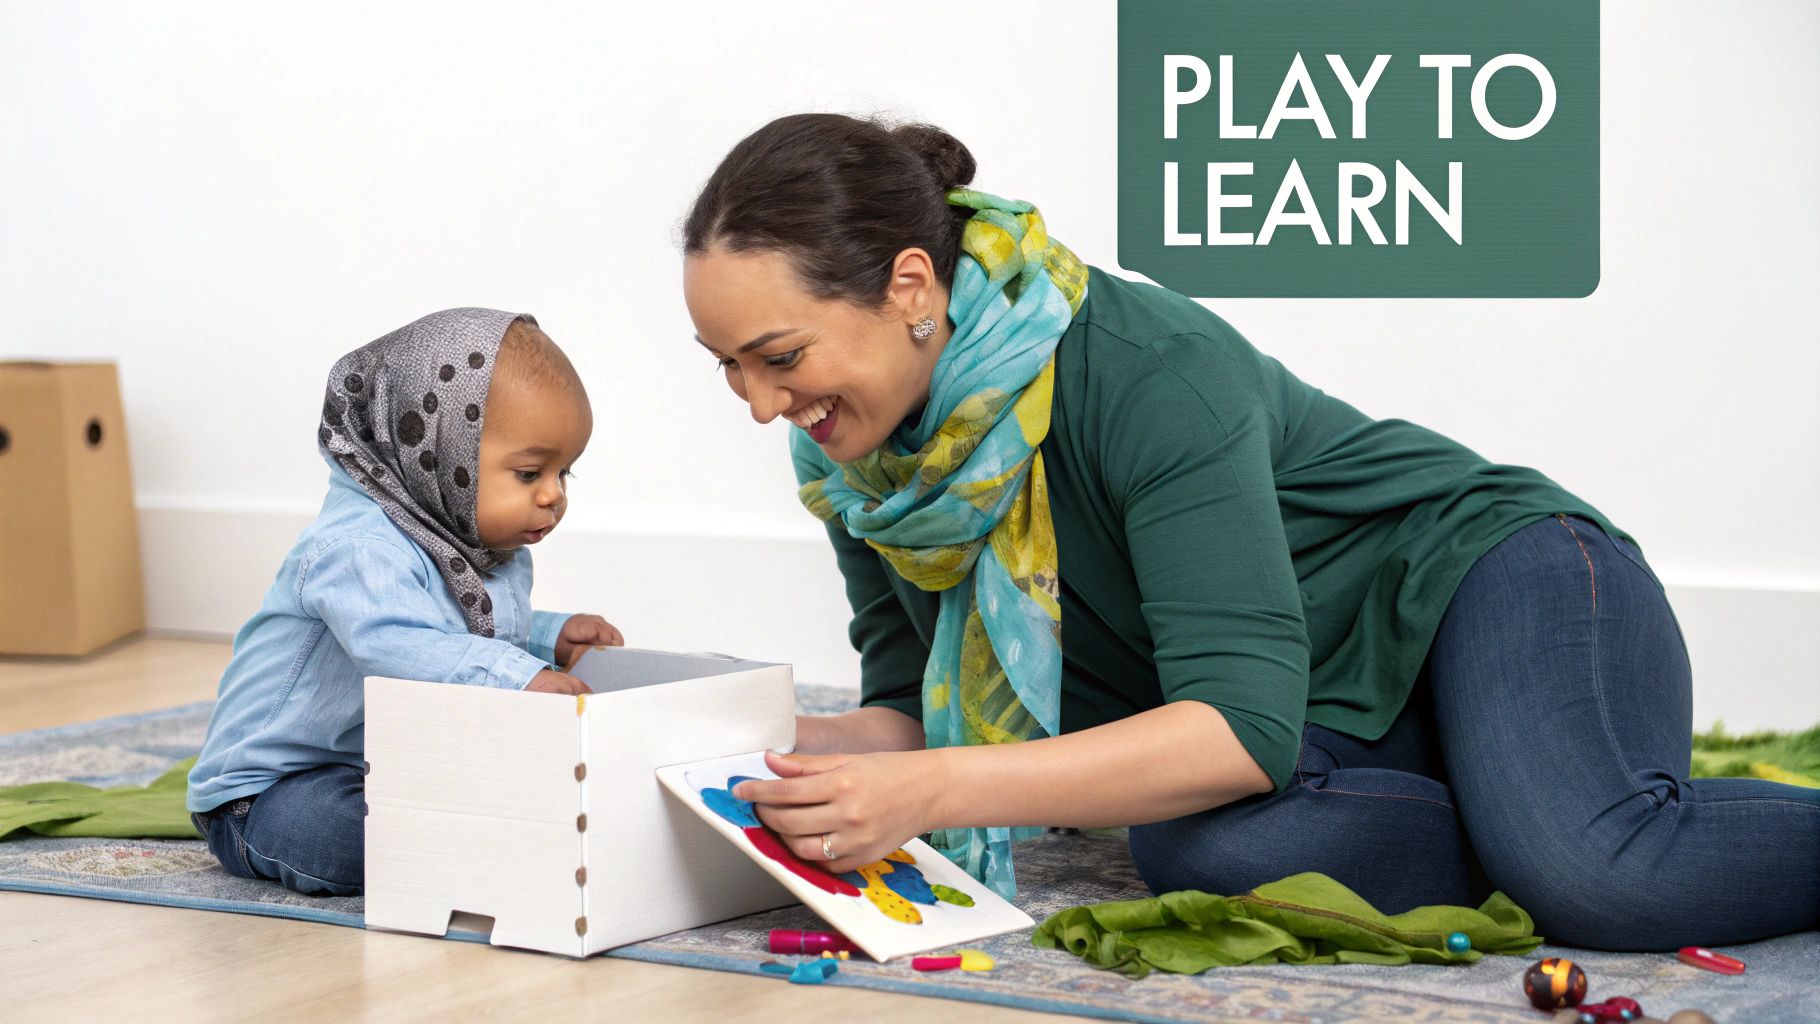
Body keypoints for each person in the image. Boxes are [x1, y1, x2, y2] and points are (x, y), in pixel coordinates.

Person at [679, 113, 1819, 949]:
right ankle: (1511, 789)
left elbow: (1229, 729)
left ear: (911, 285)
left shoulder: (1145, 372)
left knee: (1600, 875)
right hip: (1318, 705)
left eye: (779, 358)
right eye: (729, 369)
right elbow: (903, 699)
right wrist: (736, 743)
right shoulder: (859, 461)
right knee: (1202, 849)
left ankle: (1550, 804)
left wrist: (937, 791)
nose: (763, 406)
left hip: (1485, 582)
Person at [187, 309, 623, 896]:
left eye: (564, 472)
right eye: (528, 473)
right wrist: (516, 675)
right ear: (440, 455)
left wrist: (548, 637)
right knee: (358, 837)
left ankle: (455, 828)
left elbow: (463, 630)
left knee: (478, 796)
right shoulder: (357, 548)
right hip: (270, 789)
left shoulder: (483, 546)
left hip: (386, 761)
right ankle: (436, 836)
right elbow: (403, 646)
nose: (553, 496)